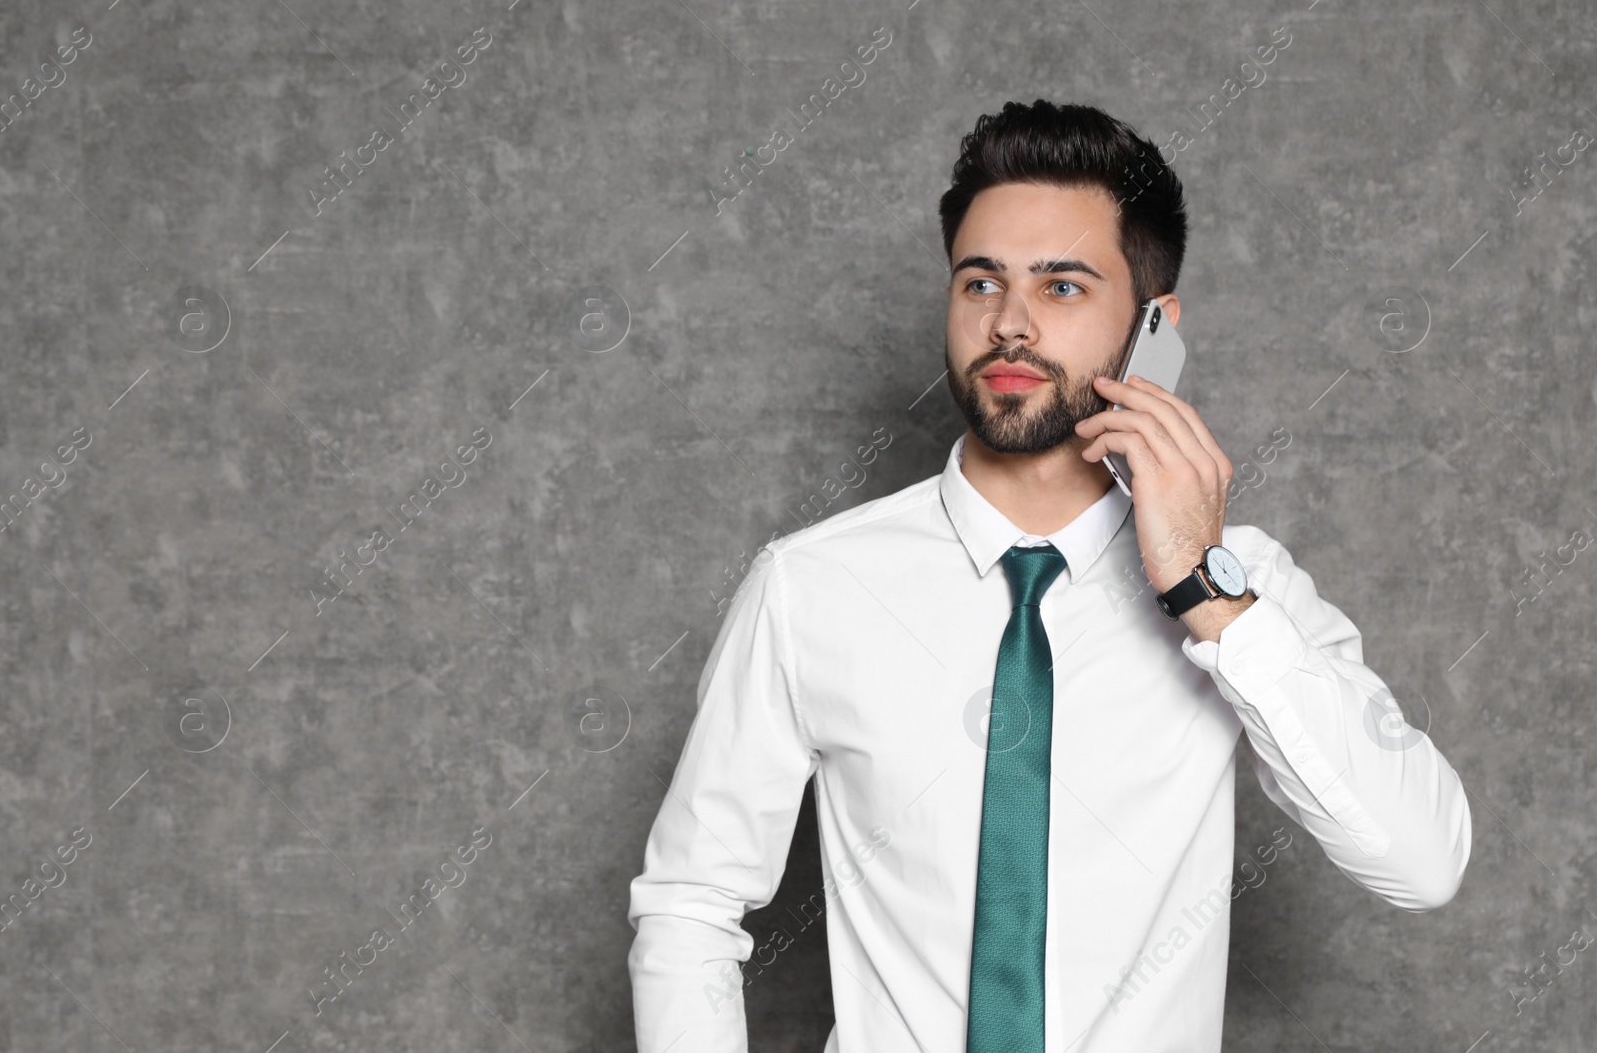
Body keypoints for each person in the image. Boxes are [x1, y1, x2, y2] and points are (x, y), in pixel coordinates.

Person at [626, 99, 1471, 1053]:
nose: (1011, 325)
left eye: (1063, 287)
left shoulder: (1244, 584)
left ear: (1156, 327)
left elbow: (1424, 859)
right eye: (981, 282)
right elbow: (690, 901)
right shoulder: (809, 586)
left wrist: (1207, 596)